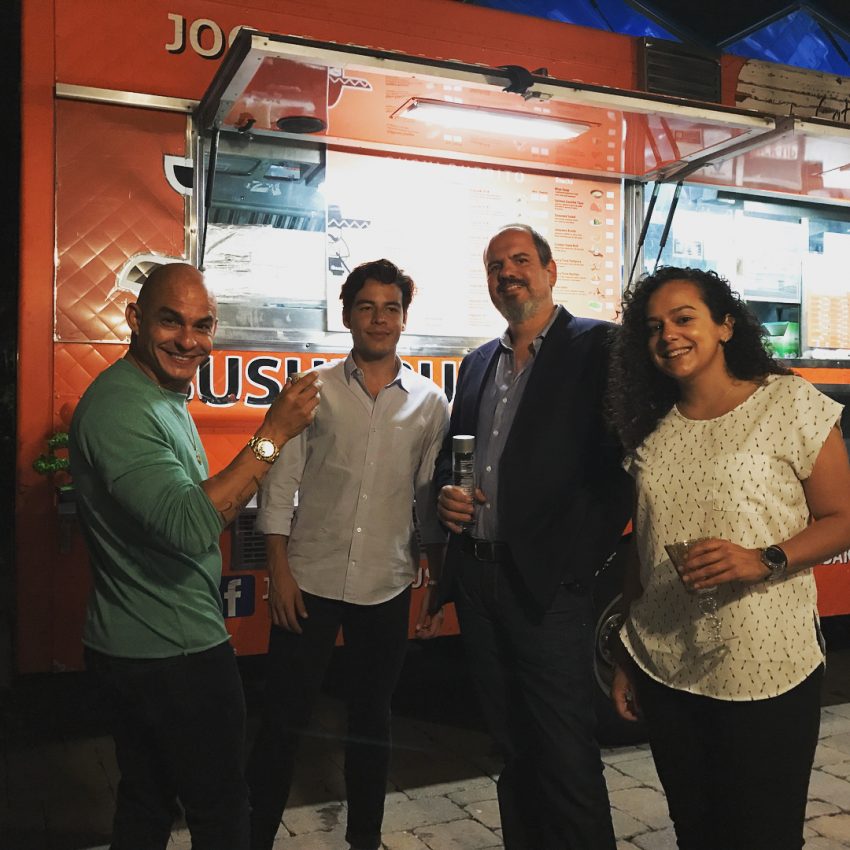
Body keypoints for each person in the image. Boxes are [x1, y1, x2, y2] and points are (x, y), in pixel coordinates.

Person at [70, 263, 320, 850]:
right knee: (221, 812)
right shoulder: (120, 408)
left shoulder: (158, 393)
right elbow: (189, 525)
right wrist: (273, 433)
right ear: (134, 319)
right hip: (171, 652)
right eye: (171, 321)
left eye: (202, 325)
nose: (189, 340)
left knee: (146, 801)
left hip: (143, 646)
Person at [608, 266, 850, 850]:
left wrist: (766, 559)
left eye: (683, 318)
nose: (668, 335)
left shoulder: (788, 402)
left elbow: (842, 519)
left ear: (725, 325)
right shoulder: (650, 429)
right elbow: (643, 548)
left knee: (763, 834)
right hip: (665, 662)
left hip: (764, 664)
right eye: (653, 327)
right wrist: (625, 654)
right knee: (695, 831)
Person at [434, 224, 632, 849]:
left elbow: (623, 467)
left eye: (520, 260)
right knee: (511, 746)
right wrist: (447, 494)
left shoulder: (599, 346)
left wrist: (578, 561)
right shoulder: (476, 363)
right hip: (478, 577)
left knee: (564, 750)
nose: (507, 274)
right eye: (496, 266)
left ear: (550, 271)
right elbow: (452, 459)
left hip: (547, 585)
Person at [246, 259, 449, 850]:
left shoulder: (430, 403)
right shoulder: (311, 390)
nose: (379, 319)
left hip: (386, 585)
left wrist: (439, 581)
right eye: (367, 307)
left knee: (372, 723)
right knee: (282, 721)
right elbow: (279, 484)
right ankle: (254, 836)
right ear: (347, 315)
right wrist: (278, 570)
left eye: (391, 308)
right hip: (308, 581)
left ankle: (365, 838)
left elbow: (428, 498)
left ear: (405, 318)